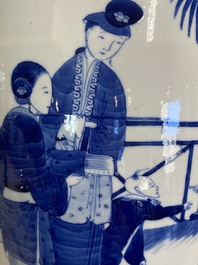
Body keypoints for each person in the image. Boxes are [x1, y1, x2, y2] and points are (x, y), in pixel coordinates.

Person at [41, 0, 144, 264]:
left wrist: (102, 151)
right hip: (65, 168)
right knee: (64, 228)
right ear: (87, 32)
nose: (108, 47)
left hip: (97, 173)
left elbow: (115, 132)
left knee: (93, 230)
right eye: (101, 37)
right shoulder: (64, 74)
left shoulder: (112, 82)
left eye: (117, 44)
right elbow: (50, 120)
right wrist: (74, 129)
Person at [0, 61, 70, 265]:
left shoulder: (10, 120)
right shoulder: (30, 127)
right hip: (28, 212)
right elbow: (40, 186)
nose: (50, 99)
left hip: (11, 209)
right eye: (45, 91)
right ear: (25, 91)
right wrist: (65, 185)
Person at [101, 175, 192, 265]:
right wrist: (182, 207)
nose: (156, 187)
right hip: (114, 249)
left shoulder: (120, 200)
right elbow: (158, 213)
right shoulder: (138, 204)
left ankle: (137, 260)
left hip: (107, 242)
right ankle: (137, 260)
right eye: (151, 185)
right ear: (138, 189)